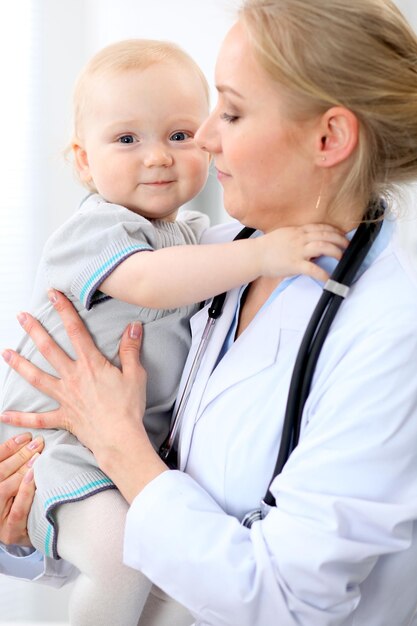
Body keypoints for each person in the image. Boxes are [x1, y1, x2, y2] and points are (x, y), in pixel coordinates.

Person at [1, 0, 417, 624]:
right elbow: (137, 532)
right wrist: (21, 524)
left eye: (232, 110)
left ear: (328, 137)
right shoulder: (214, 255)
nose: (203, 137)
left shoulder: (392, 333)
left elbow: (289, 601)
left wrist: (120, 446)